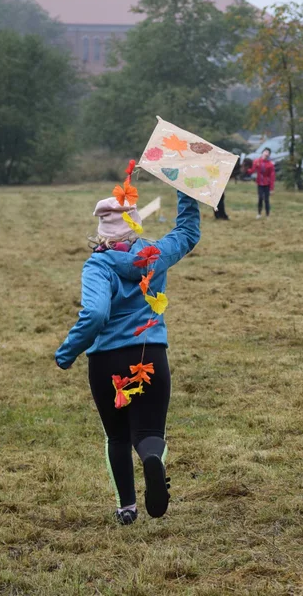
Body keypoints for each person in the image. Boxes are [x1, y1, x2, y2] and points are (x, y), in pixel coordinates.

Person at [55, 189, 200, 524]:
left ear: (101, 233)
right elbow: (188, 232)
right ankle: (152, 458)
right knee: (149, 432)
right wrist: (186, 191)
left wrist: (67, 352)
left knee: (117, 435)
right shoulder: (156, 254)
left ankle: (127, 508)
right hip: (150, 355)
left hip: (106, 362)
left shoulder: (97, 265)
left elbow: (94, 315)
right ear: (134, 226)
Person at [247, 148, 275, 219]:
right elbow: (252, 170)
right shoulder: (257, 161)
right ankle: (259, 213)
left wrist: (271, 188)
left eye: (268, 153)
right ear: (262, 153)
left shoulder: (270, 164)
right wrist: (246, 170)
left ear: (269, 155)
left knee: (266, 199)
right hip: (260, 183)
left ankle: (267, 215)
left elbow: (272, 177)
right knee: (260, 198)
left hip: (267, 184)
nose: (266, 153)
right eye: (265, 152)